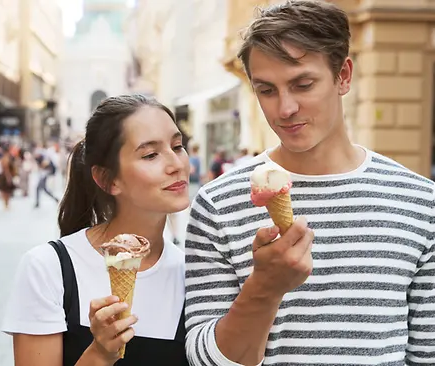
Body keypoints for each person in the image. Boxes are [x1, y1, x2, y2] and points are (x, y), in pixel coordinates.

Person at [184, 1, 435, 365]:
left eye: (303, 85)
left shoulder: (420, 202)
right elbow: (203, 360)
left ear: (343, 76)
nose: (285, 109)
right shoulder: (217, 204)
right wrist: (264, 289)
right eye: (267, 90)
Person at [2, 94, 190, 366]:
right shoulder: (49, 268)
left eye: (177, 146)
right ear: (107, 179)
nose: (176, 164)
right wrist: (100, 353)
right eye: (150, 155)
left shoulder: (193, 275)